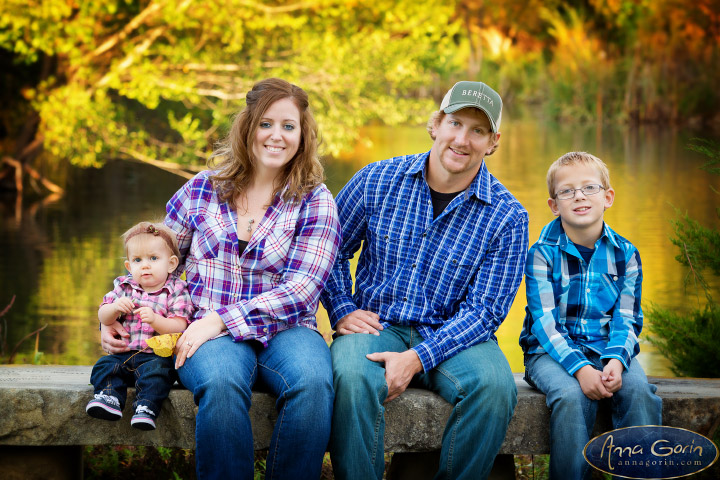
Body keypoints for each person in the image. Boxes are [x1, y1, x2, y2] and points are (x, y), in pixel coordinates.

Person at [103, 78, 340, 479]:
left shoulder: (316, 201)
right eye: (266, 124)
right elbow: (155, 260)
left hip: (285, 328)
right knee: (222, 382)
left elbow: (302, 291)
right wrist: (113, 316)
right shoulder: (202, 189)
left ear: (303, 135)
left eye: (289, 126)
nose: (276, 136)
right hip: (206, 328)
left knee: (314, 384)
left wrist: (221, 320)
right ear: (248, 128)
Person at [321, 81, 529, 480]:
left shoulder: (508, 216)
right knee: (349, 374)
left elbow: (486, 312)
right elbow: (327, 250)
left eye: (478, 130)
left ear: (494, 141)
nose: (462, 139)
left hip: (456, 336)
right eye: (455, 123)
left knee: (495, 388)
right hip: (377, 323)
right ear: (435, 123)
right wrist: (342, 309)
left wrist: (417, 358)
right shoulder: (377, 180)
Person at [519, 151, 662, 479]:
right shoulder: (541, 254)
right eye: (566, 191)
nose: (579, 196)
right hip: (549, 353)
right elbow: (545, 323)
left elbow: (627, 317)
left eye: (589, 188)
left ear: (608, 197)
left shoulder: (626, 255)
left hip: (607, 347)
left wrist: (615, 361)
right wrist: (581, 369)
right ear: (554, 205)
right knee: (571, 396)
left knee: (639, 393)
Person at [87, 221, 193, 430]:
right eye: (137, 260)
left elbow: (180, 326)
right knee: (104, 366)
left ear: (171, 264)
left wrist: (156, 320)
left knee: (158, 374)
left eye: (153, 258)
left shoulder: (176, 290)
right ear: (129, 266)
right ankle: (109, 398)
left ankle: (146, 406)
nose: (145, 265)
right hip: (123, 352)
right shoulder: (124, 287)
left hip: (155, 355)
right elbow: (103, 315)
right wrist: (115, 308)